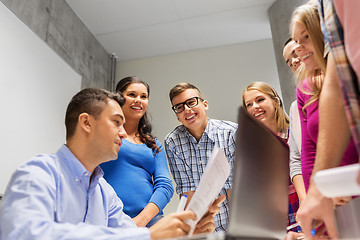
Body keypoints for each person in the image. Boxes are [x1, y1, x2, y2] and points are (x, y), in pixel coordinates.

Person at [0, 88, 223, 240]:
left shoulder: (105, 193)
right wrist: (149, 235)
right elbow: (23, 234)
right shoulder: (38, 174)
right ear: (86, 122)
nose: (124, 134)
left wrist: (187, 232)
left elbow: (130, 235)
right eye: (117, 122)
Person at [296, 0, 360, 238]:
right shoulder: (330, 6)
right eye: (295, 41)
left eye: (305, 38)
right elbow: (308, 151)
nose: (298, 48)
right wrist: (318, 190)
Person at [101, 76, 174, 228]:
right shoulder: (105, 135)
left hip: (150, 222)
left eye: (144, 97)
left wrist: (142, 220)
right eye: (132, 95)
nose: (138, 100)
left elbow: (165, 185)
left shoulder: (154, 145)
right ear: (119, 98)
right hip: (110, 219)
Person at [164, 83, 237, 232]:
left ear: (205, 104)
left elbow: (234, 190)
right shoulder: (173, 142)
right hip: (202, 229)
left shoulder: (230, 133)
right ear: (177, 116)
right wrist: (195, 232)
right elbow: (187, 192)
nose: (186, 109)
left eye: (191, 102)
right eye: (179, 107)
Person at [242, 82, 301, 232]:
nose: (254, 107)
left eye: (260, 100)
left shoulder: (294, 133)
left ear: (275, 102)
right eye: (249, 105)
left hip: (302, 205)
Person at [283, 38, 307, 204]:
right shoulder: (294, 107)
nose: (294, 62)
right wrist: (305, 201)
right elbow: (296, 158)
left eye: (295, 53)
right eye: (288, 62)